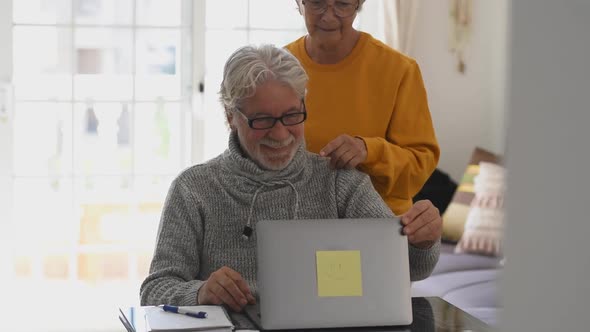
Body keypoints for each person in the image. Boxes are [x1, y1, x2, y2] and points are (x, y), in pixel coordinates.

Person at [140, 45, 440, 313]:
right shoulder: (193, 189)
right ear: (230, 116)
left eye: (292, 116)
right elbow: (154, 291)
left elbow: (410, 268)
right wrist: (200, 292)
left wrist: (423, 241)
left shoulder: (340, 182)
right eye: (263, 120)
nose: (281, 134)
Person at [286, 1, 441, 226]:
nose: (329, 17)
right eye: (317, 3)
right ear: (299, 3)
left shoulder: (399, 70)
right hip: (297, 224)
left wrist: (369, 151)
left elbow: (420, 167)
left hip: (378, 226)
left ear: (359, 4)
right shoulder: (279, 70)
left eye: (342, 4)